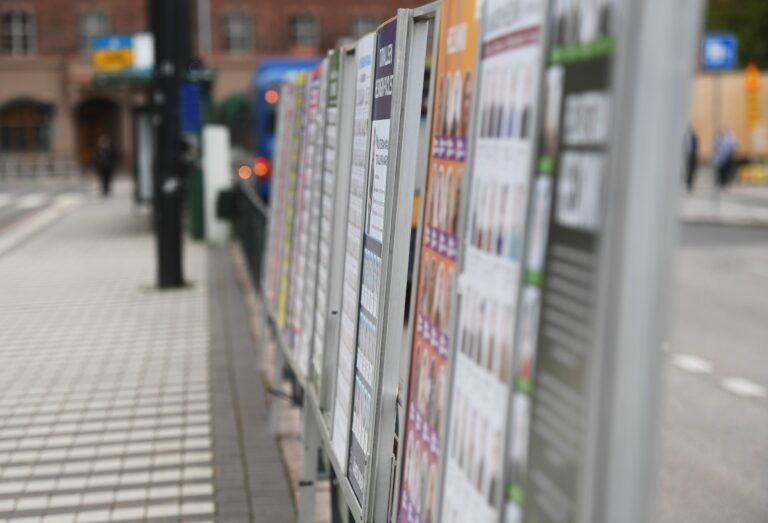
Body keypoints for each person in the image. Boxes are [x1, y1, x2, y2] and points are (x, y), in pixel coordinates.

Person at [685, 125, 698, 191]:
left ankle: (690, 183)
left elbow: (696, 146)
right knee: (687, 169)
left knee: (692, 170)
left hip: (692, 155)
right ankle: (687, 182)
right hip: (687, 156)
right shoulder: (686, 137)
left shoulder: (694, 137)